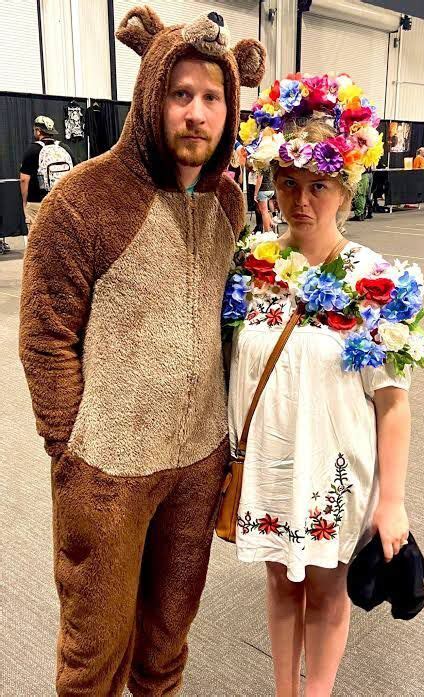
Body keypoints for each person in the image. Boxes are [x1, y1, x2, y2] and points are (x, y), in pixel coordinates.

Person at [19, 7, 265, 696]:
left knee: (165, 643)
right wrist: (68, 443)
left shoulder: (230, 204)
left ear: (229, 109)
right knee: (94, 650)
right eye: (180, 94)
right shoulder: (84, 199)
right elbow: (45, 335)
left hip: (197, 458)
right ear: (151, 95)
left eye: (211, 98)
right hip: (108, 467)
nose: (195, 112)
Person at [225, 73, 424, 696]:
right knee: (281, 584)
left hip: (335, 466)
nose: (300, 199)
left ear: (345, 188)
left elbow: (393, 405)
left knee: (324, 588)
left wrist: (391, 502)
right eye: (288, 183)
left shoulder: (374, 279)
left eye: (318, 185)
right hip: (269, 461)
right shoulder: (253, 264)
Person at [19, 116, 75, 229]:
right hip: (62, 201)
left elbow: (24, 179)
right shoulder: (65, 148)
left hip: (38, 202)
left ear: (39, 131)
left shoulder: (32, 150)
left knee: (37, 240)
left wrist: (24, 203)